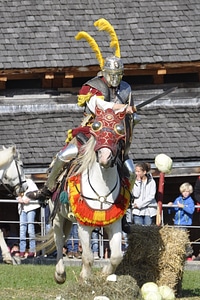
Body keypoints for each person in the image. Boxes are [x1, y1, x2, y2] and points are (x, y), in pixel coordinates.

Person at [17, 178, 40, 258]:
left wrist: (29, 199)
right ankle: (22, 250)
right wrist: (18, 198)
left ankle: (32, 250)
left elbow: (36, 193)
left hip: (30, 207)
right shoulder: (18, 182)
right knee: (22, 229)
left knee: (30, 229)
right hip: (22, 208)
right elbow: (16, 193)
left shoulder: (30, 181)